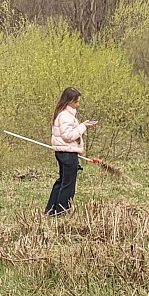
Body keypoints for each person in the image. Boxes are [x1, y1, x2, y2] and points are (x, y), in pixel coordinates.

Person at [47, 87, 98, 216]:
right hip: (68, 153)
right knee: (68, 184)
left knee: (62, 181)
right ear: (69, 101)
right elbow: (68, 136)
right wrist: (83, 127)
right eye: (76, 102)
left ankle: (51, 210)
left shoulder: (64, 114)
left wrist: (82, 125)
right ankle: (61, 211)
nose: (78, 105)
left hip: (63, 152)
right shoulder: (65, 116)